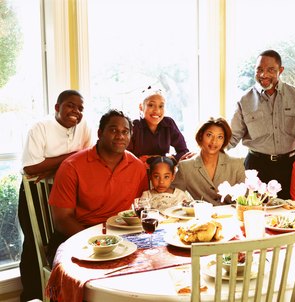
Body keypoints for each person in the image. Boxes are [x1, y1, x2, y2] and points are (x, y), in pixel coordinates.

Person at [18, 89, 92, 302]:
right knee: (34, 243)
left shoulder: (84, 126)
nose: (75, 111)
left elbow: (87, 159)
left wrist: (52, 167)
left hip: (67, 189)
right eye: (70, 105)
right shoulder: (40, 127)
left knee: (66, 237)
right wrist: (71, 158)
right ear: (57, 108)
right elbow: (31, 168)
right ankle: (32, 296)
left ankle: (65, 291)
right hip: (35, 190)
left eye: (80, 108)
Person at [47, 109, 149, 261]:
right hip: (79, 237)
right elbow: (62, 220)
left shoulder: (137, 166)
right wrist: (98, 242)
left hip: (121, 237)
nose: (120, 136)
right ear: (100, 133)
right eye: (113, 130)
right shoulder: (71, 166)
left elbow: (142, 207)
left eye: (125, 131)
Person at [228, 49, 295, 199]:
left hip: (290, 166)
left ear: (281, 70)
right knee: (255, 214)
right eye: (259, 70)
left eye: (271, 70)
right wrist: (204, 152)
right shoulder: (244, 101)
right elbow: (231, 137)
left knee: (291, 215)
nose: (264, 75)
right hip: (256, 168)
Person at [172, 117, 245, 205]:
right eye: (209, 135)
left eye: (220, 137)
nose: (214, 141)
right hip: (199, 216)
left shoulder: (237, 164)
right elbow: (174, 200)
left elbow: (246, 200)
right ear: (200, 136)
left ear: (224, 140)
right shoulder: (185, 167)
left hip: (231, 217)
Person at [127, 86, 190, 165]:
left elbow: (184, 151)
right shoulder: (133, 126)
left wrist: (169, 159)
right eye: (151, 105)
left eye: (161, 106)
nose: (157, 110)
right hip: (138, 171)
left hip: (162, 173)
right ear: (141, 107)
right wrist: (143, 161)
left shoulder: (168, 124)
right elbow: (125, 157)